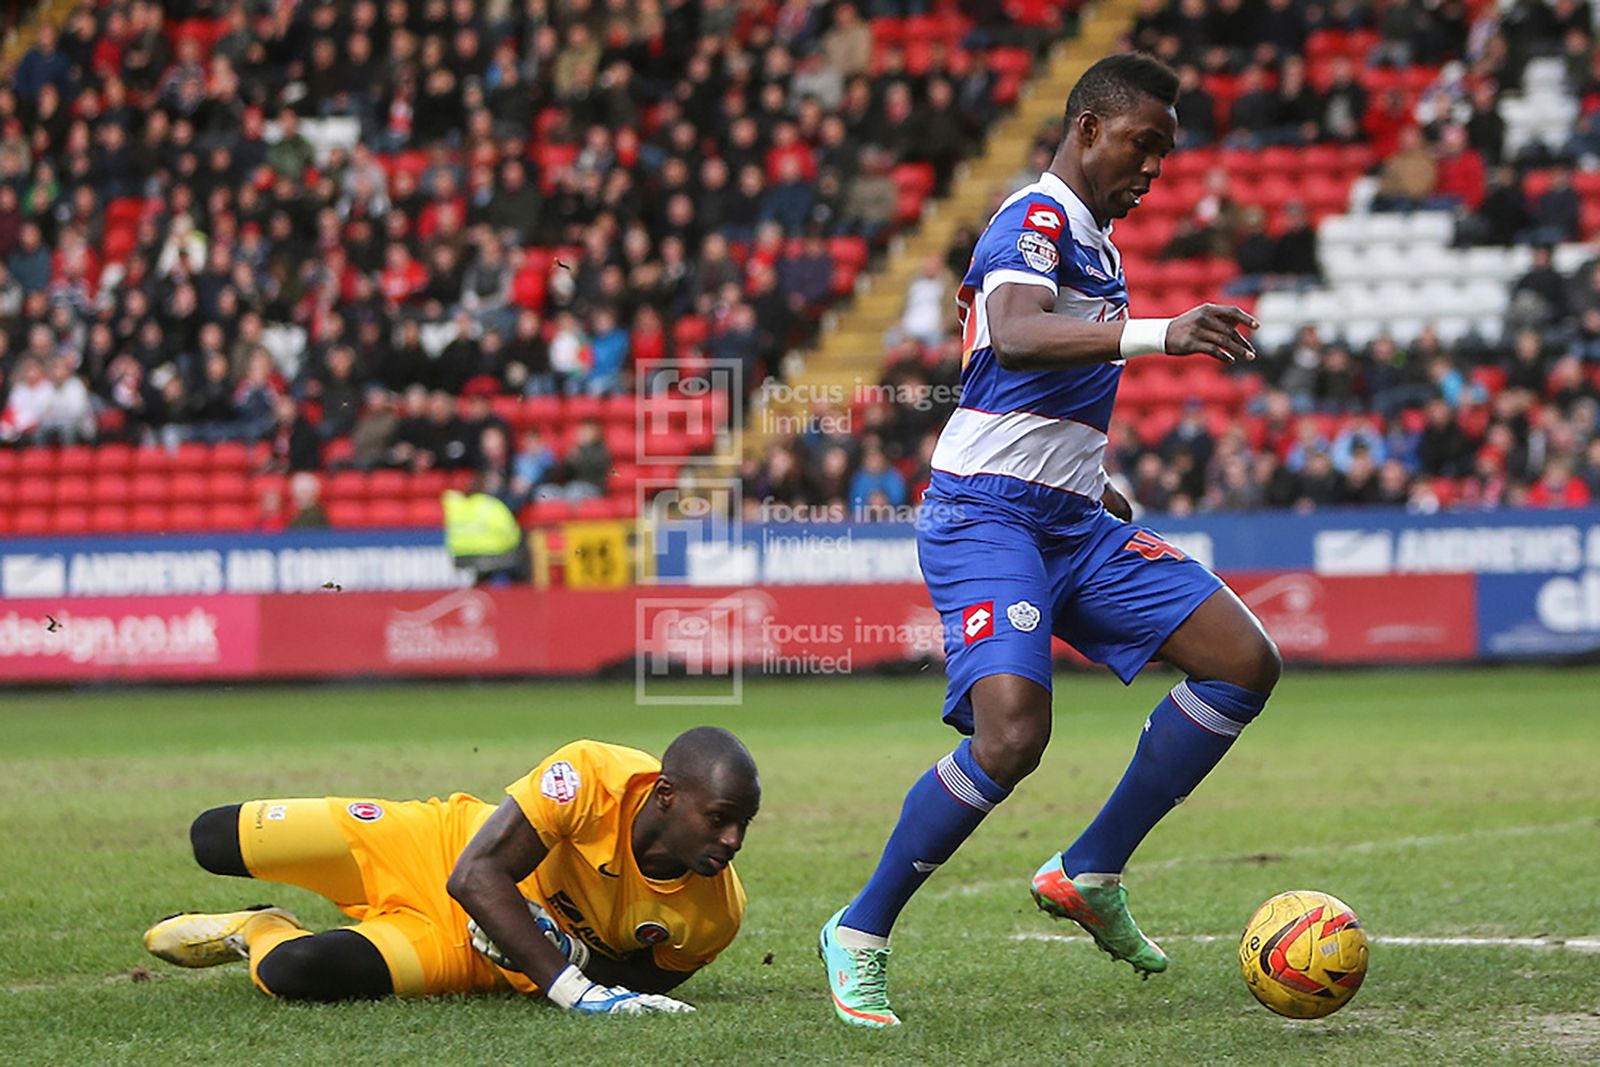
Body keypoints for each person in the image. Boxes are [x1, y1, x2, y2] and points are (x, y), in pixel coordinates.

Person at [818, 53, 1280, 1029]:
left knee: (1243, 661)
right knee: (1013, 734)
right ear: (1086, 128)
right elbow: (1017, 333)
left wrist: (1088, 479)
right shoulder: (1033, 218)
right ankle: (858, 928)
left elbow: (1030, 387)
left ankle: (1090, 867)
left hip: (1071, 519)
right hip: (986, 517)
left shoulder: (1098, 246)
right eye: (1141, 144)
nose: (1152, 167)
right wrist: (1161, 332)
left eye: (1164, 152)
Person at [143, 729, 759, 1013]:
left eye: (743, 824)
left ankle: (259, 927)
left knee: (292, 971)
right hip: (436, 844)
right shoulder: (594, 775)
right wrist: (570, 985)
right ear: (666, 794)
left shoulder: (716, 913)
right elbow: (475, 876)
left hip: (467, 951)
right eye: (719, 819)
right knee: (213, 836)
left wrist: (570, 954)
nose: (732, 840)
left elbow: (644, 983)